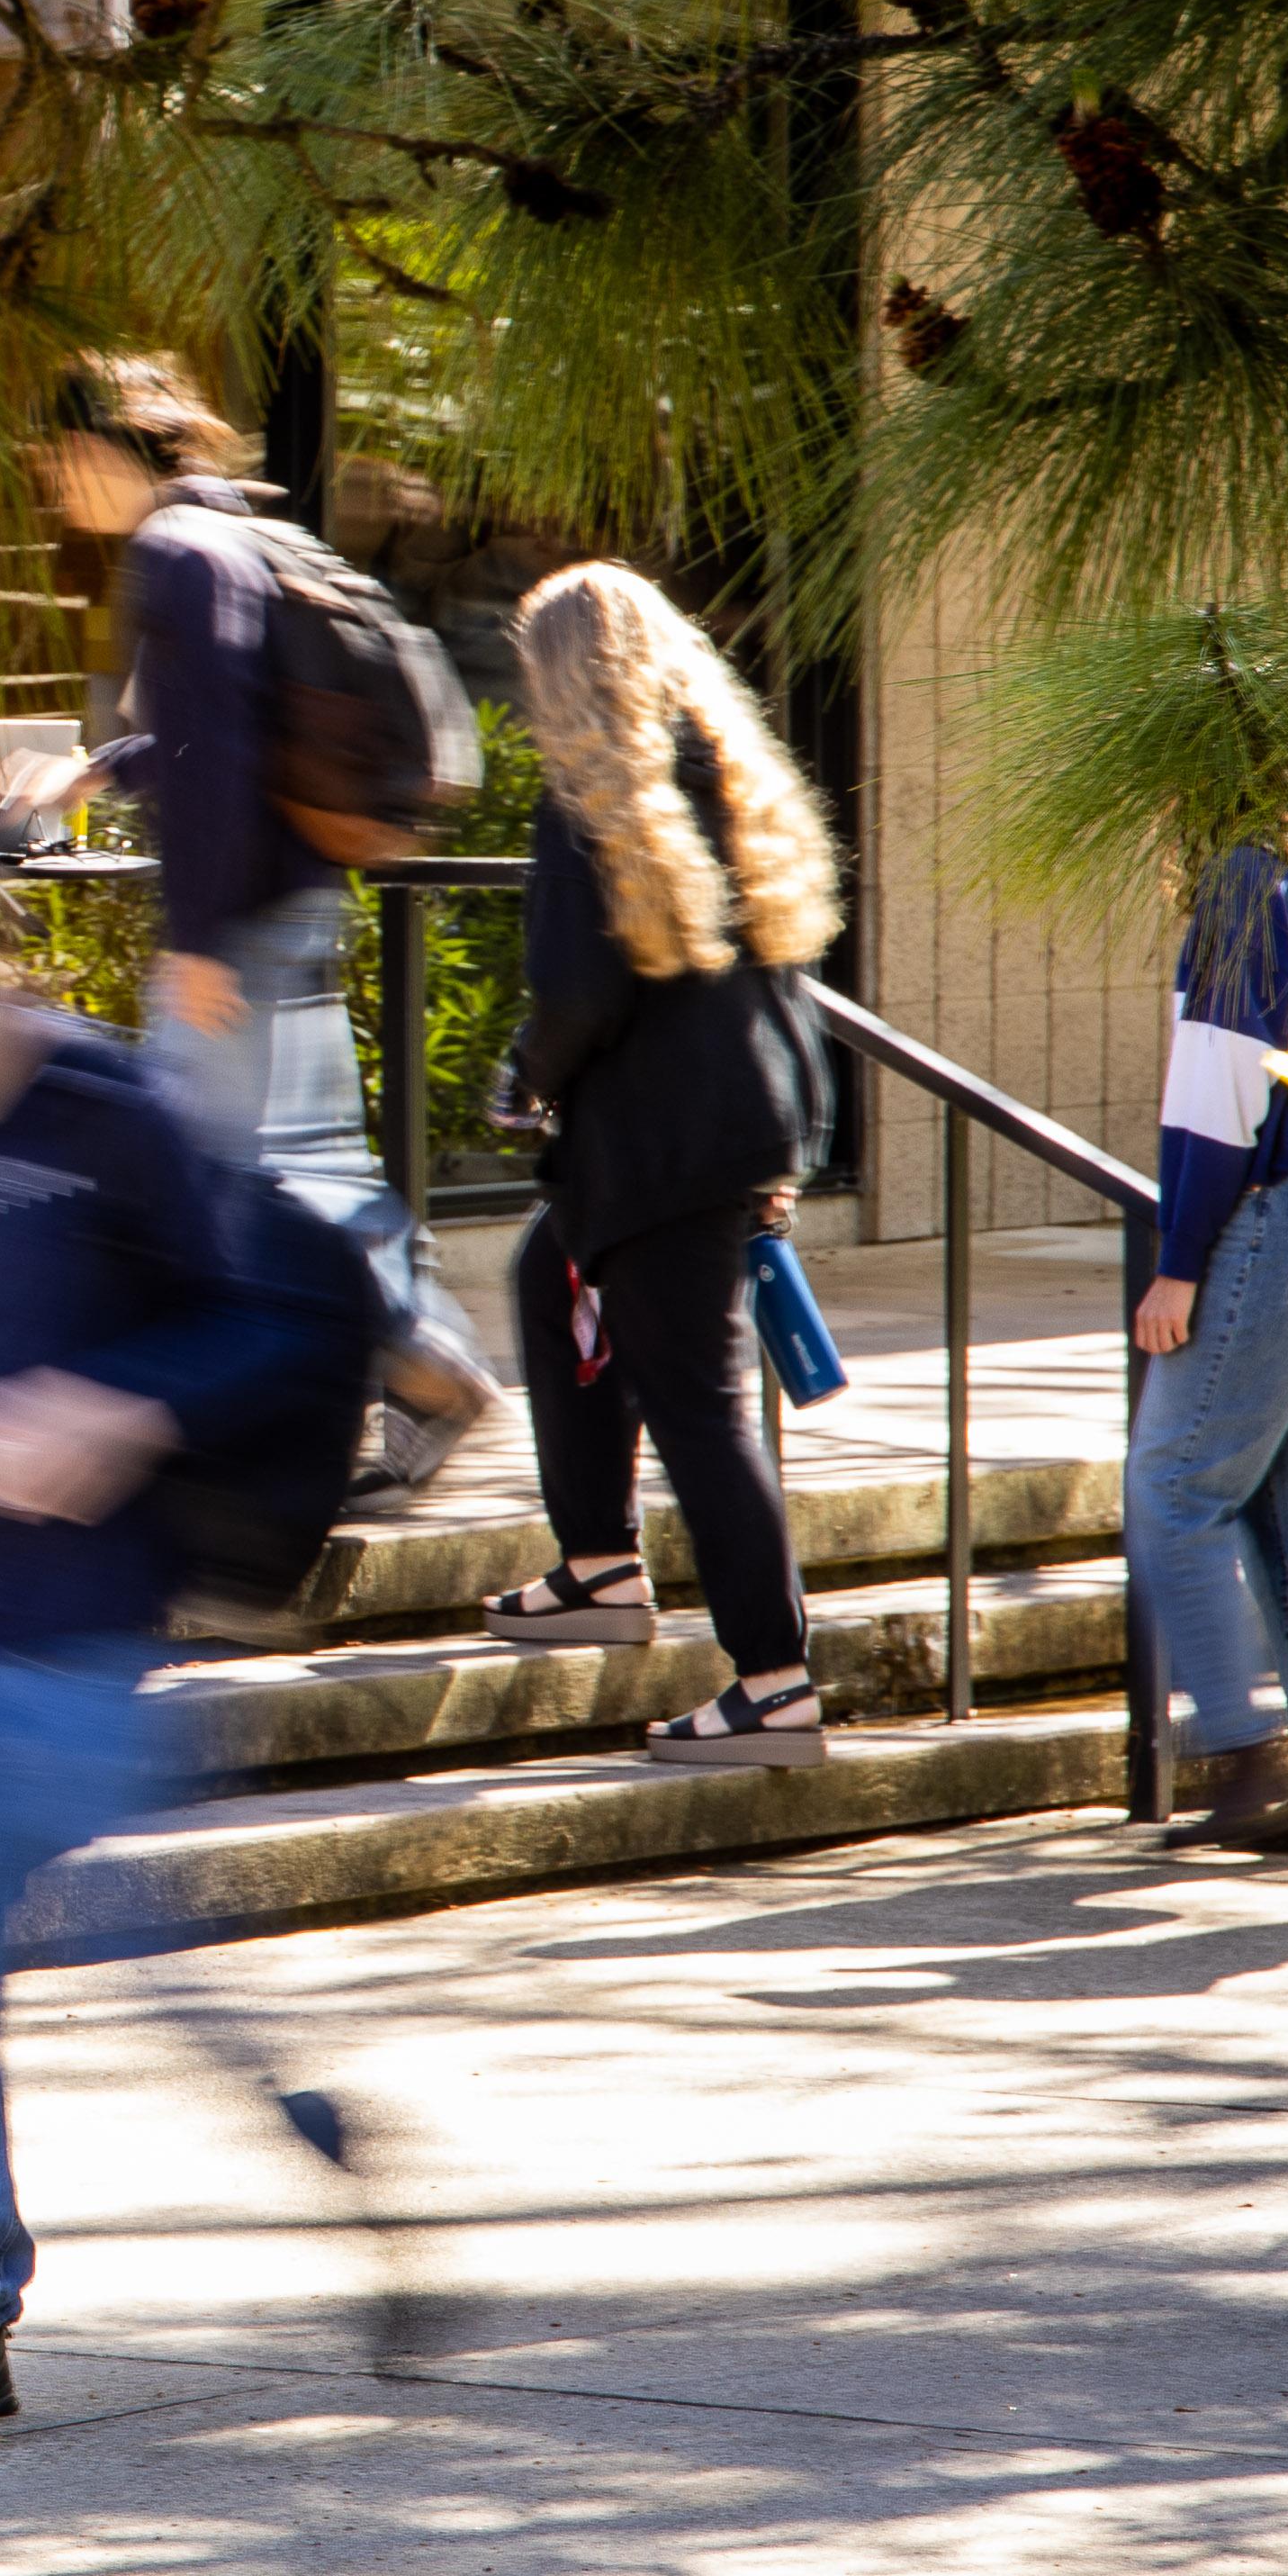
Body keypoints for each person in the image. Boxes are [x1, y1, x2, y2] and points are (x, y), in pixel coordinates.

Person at [0, 836, 366, 2436]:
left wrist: (117, 1406)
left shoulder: (100, 1108)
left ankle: (299, 2114)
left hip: (96, 1638)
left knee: (138, 1955)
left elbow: (290, 1312)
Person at [14, 356, 497, 1496]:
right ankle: (425, 1359)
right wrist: (100, 768)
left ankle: (403, 1368)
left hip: (243, 919)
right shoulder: (225, 535)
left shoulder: (175, 554)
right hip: (291, 898)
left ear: (104, 449)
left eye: (54, 458)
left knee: (210, 1170)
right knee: (310, 1163)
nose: (49, 483)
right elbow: (224, 726)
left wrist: (195, 940)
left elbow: (217, 754)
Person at [471, 563, 841, 1765]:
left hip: (655, 1149)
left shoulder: (593, 794)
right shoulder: (732, 773)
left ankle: (774, 1680)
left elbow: (580, 991)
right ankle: (598, 1564)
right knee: (548, 1279)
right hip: (735, 1127)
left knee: (700, 1407)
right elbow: (786, 975)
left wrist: (528, 1079)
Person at [1117, 827, 1288, 1853]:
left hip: (1271, 1218)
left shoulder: (1249, 880)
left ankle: (1242, 1751)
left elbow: (1218, 1087)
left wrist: (1179, 1256)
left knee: (1173, 1484)